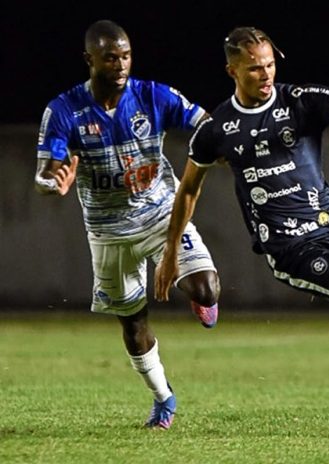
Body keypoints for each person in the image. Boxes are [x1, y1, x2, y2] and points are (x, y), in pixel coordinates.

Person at [154, 26, 329, 438]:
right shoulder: (218, 129)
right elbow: (189, 189)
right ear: (231, 70)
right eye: (253, 69)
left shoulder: (299, 102)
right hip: (288, 244)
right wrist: (172, 250)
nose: (265, 75)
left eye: (269, 65)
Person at [34, 19, 221, 430]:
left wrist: (222, 145)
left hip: (159, 213)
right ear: (90, 60)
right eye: (109, 58)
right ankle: (163, 398)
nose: (120, 65)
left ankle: (196, 294)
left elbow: (206, 124)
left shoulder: (154, 95)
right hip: (107, 231)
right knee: (134, 322)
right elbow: (46, 172)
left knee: (207, 288)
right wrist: (53, 183)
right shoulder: (64, 110)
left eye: (125, 56)